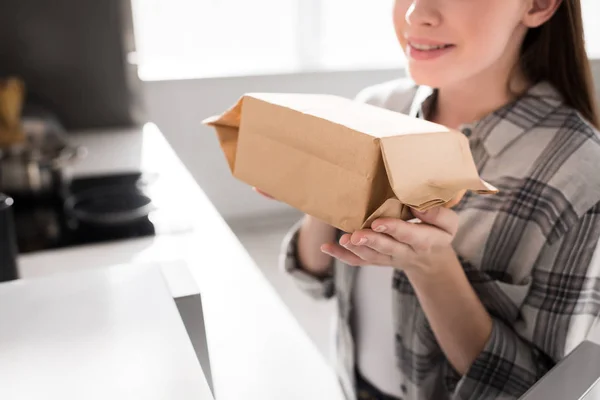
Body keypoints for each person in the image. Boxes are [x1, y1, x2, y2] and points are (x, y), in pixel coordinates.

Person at [261, 1, 600, 399]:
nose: (415, 14)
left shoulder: (581, 175)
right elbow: (314, 279)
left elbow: (538, 393)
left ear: (539, 5)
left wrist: (432, 267)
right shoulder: (374, 106)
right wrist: (318, 194)